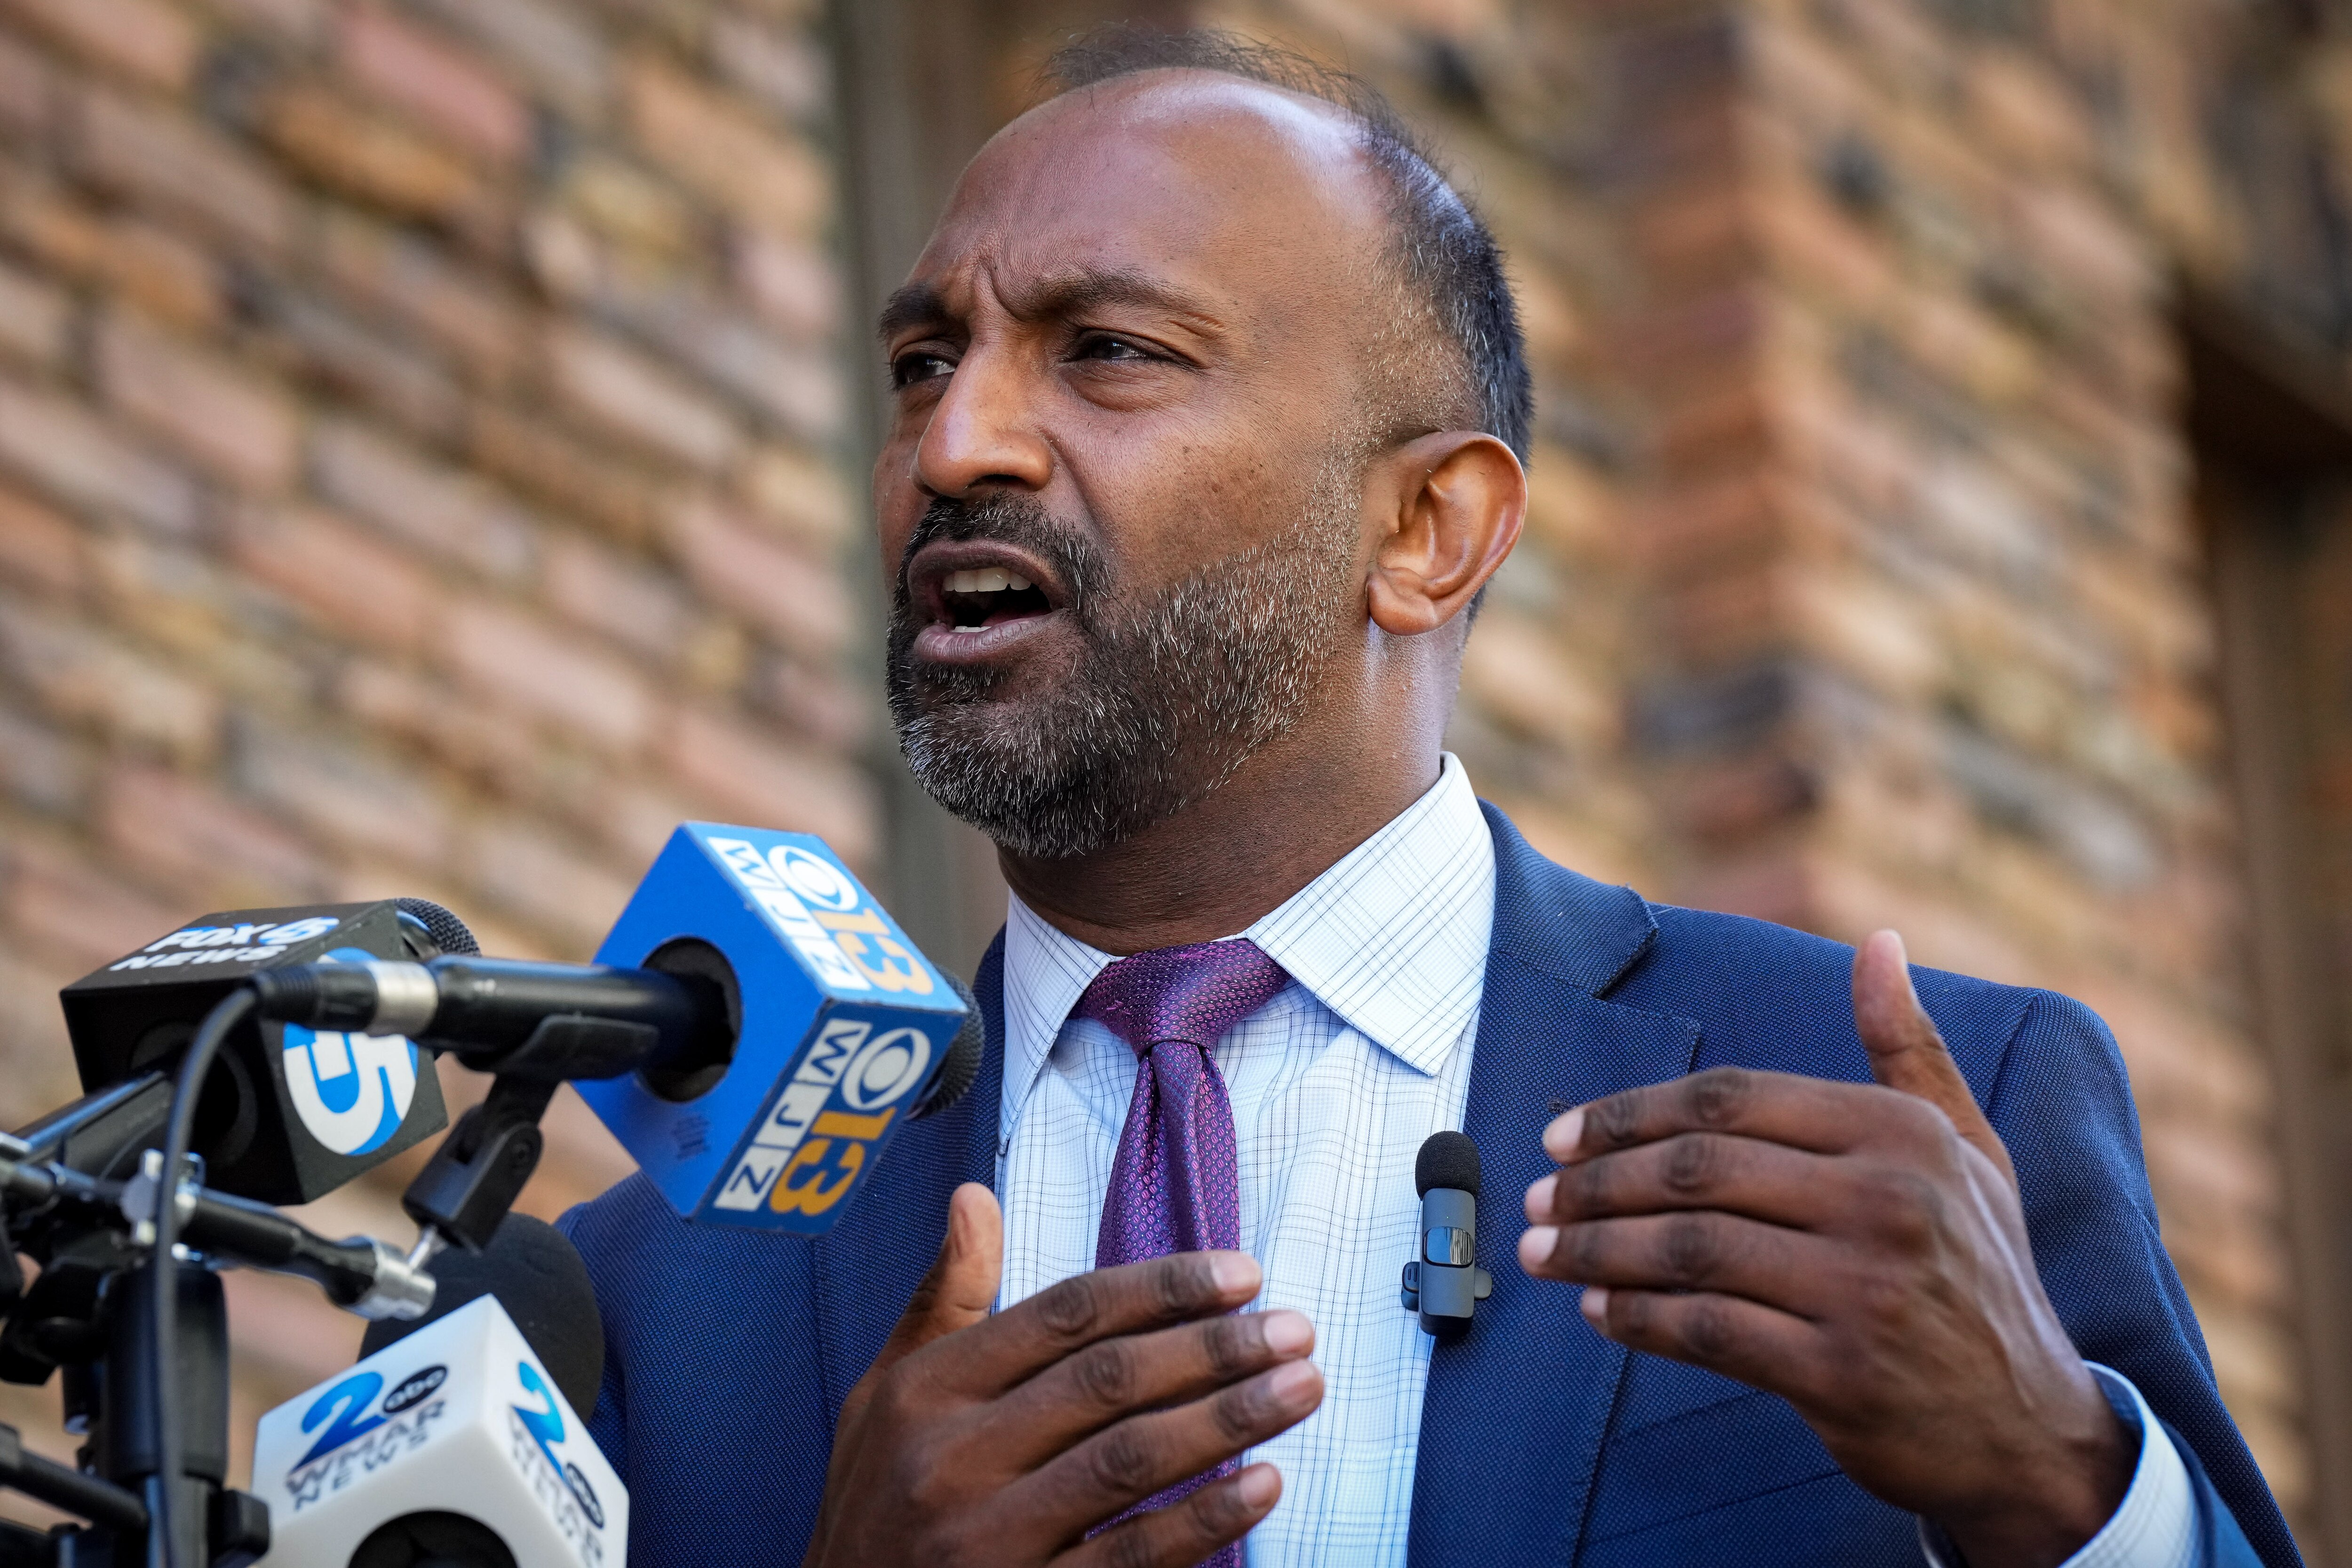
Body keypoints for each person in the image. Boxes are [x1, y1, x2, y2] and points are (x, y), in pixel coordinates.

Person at [560, 27, 2296, 1568]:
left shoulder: (1912, 1112)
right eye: (924, 363)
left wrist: (2058, 1480)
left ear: (1428, 533)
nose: (957, 447)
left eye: (1108, 350)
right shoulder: (647, 1296)